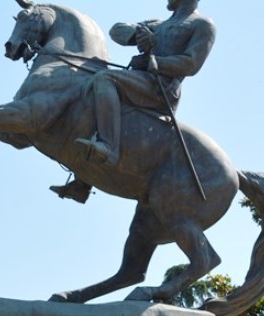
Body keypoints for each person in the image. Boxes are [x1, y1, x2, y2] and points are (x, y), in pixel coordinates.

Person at [62, 0, 216, 193]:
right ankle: (84, 178)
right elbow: (115, 31)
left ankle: (108, 147)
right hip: (140, 79)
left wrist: (155, 61)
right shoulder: (158, 24)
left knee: (105, 79)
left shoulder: (202, 25)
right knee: (91, 85)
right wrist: (137, 33)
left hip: (162, 88)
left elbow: (192, 63)